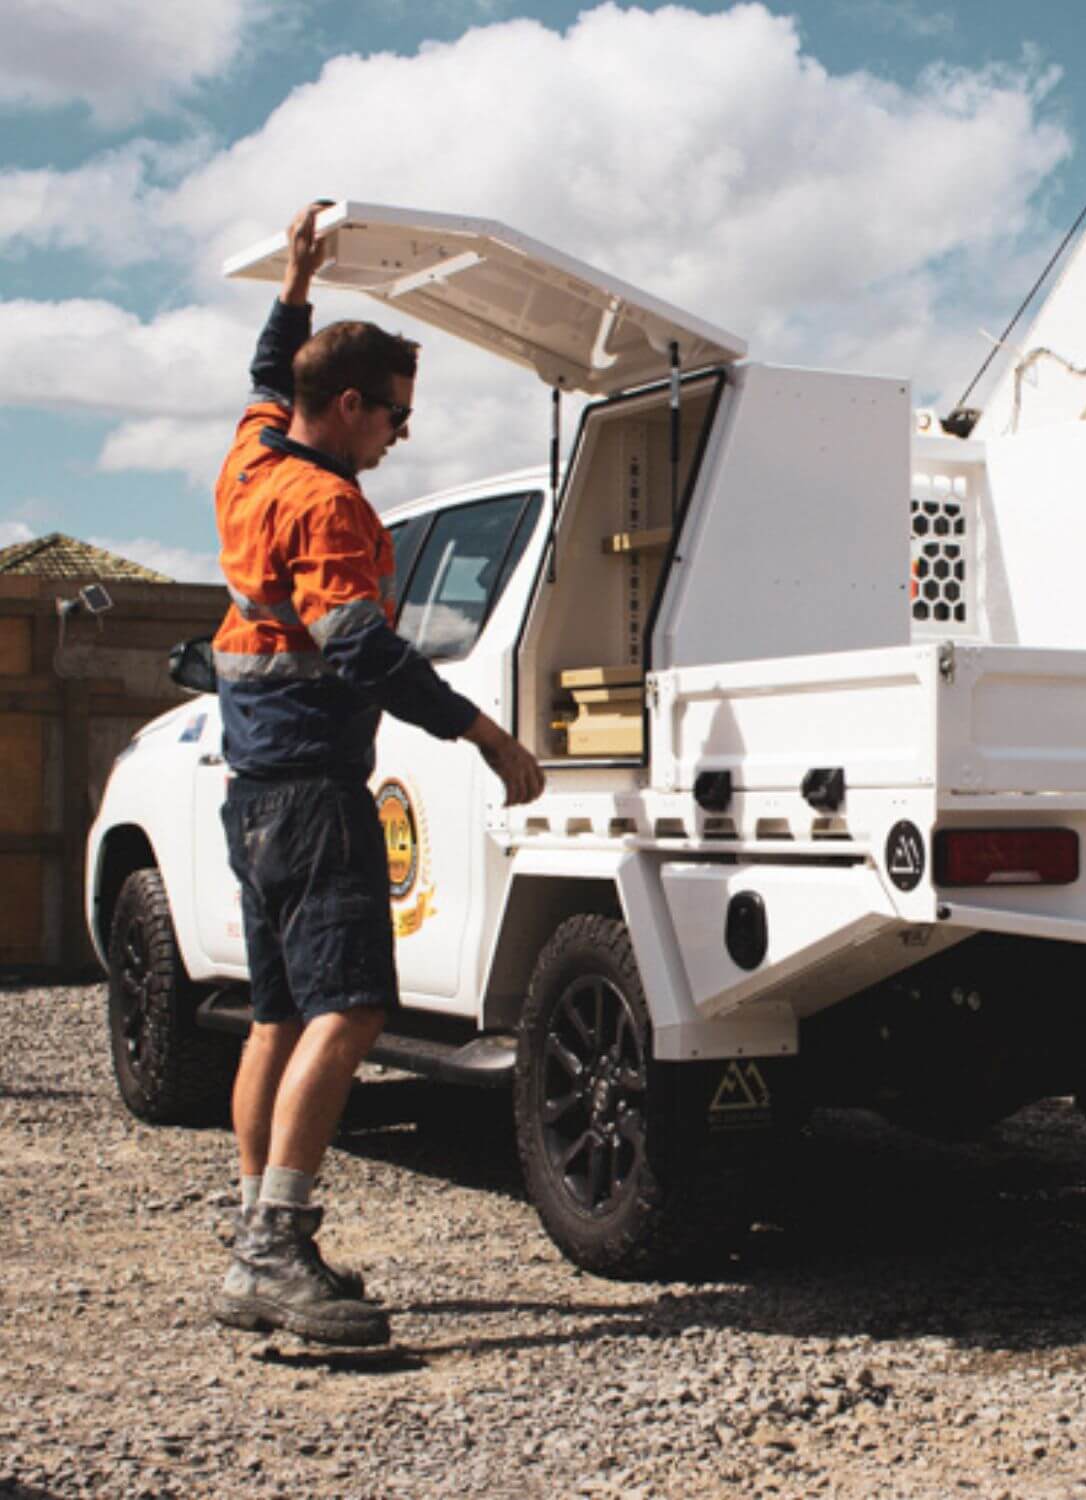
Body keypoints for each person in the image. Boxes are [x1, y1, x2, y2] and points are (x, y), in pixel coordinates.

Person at [211, 202, 545, 1346]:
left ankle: (256, 1242)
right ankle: (272, 1252)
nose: (402, 434)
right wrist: (488, 739)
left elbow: (271, 369)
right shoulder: (328, 504)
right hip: (311, 792)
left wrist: (297, 283)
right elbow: (357, 644)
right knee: (349, 1010)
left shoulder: (254, 459)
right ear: (348, 406)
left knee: (276, 1018)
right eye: (395, 414)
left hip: (252, 793)